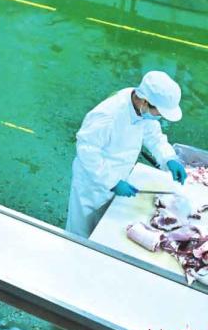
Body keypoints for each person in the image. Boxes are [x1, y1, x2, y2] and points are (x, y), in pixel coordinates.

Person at [66, 71, 187, 237]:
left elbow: (153, 136)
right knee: (80, 232)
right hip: (92, 185)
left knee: (103, 230)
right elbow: (87, 152)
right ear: (145, 101)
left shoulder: (141, 109)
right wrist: (112, 182)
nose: (160, 116)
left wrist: (169, 158)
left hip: (120, 175)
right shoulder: (108, 115)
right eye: (159, 112)